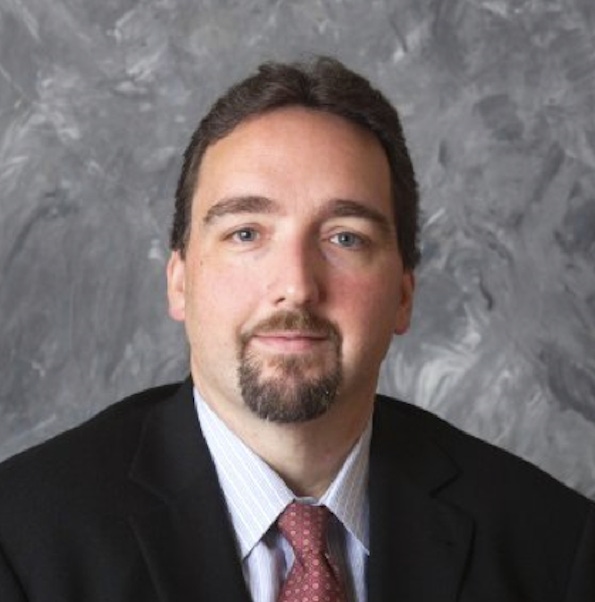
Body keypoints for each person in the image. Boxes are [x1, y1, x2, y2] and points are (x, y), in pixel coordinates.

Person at [0, 56, 593, 602]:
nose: (297, 285)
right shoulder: (21, 543)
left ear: (403, 294)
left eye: (345, 238)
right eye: (246, 233)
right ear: (179, 281)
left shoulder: (555, 547)